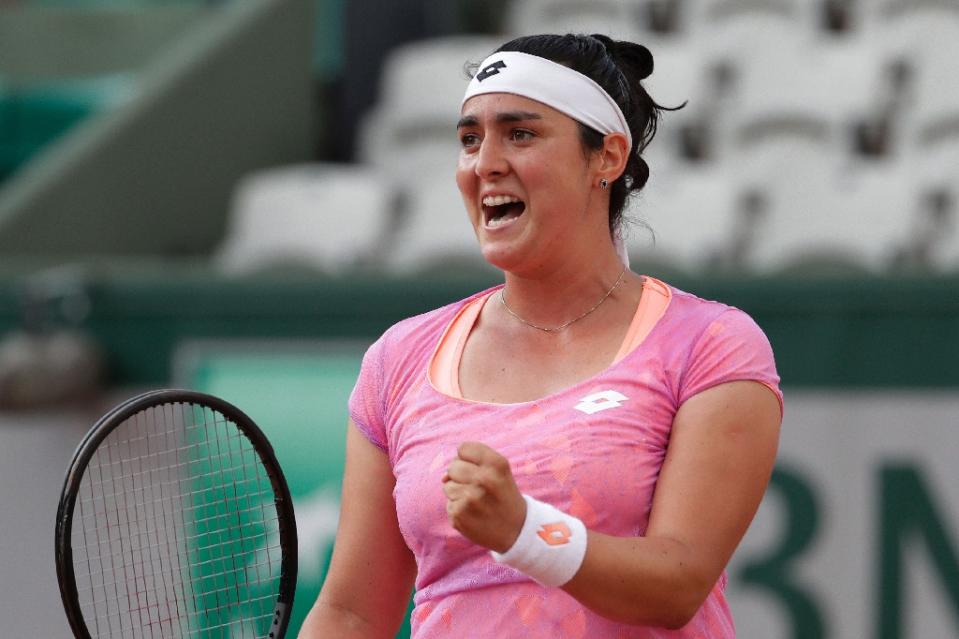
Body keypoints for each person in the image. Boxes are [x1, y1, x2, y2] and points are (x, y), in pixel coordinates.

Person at [299, 33, 783, 638]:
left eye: (520, 134)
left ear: (606, 158)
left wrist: (524, 532)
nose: (485, 163)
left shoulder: (713, 344)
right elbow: (352, 613)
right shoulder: (398, 359)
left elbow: (677, 581)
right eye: (470, 139)